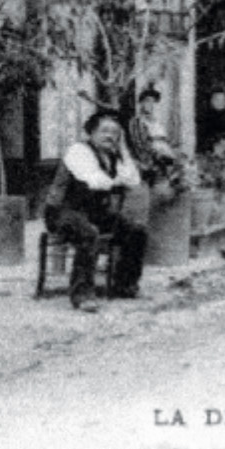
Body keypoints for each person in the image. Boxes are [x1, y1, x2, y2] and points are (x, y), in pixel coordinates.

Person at [44, 110, 147, 305]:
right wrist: (117, 179)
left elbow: (134, 180)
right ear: (91, 133)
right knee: (88, 233)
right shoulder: (78, 151)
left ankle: (125, 286)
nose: (110, 136)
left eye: (115, 133)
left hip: (93, 212)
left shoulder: (113, 156)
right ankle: (82, 294)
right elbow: (95, 181)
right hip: (62, 212)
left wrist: (124, 148)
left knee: (136, 231)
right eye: (104, 131)